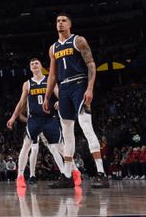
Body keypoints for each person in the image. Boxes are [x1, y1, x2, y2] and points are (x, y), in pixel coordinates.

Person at [43, 14, 110, 188]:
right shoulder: (53, 48)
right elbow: (52, 75)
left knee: (86, 126)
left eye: (63, 20)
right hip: (63, 88)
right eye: (57, 20)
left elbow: (91, 64)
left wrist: (90, 88)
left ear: (70, 24)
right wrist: (48, 96)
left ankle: (101, 173)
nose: (60, 23)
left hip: (79, 84)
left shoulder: (78, 41)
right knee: (67, 134)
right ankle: (67, 176)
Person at [7, 58, 71, 187]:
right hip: (34, 119)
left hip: (49, 119)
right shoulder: (27, 84)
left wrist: (62, 102)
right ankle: (20, 176)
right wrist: (13, 117)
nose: (34, 65)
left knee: (60, 147)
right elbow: (21, 103)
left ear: (41, 66)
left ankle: (72, 172)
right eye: (32, 64)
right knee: (27, 146)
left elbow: (60, 95)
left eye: (36, 63)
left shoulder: (49, 80)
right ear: (30, 68)